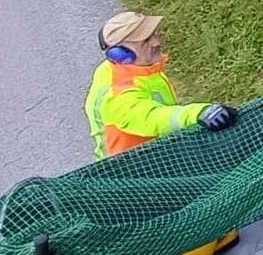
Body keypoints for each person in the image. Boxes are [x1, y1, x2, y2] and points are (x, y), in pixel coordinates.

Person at [85, 11, 237, 159]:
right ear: (120, 53)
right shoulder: (117, 96)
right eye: (146, 41)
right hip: (132, 174)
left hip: (158, 156)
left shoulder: (135, 68)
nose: (156, 42)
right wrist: (199, 113)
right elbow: (153, 117)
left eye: (153, 35)